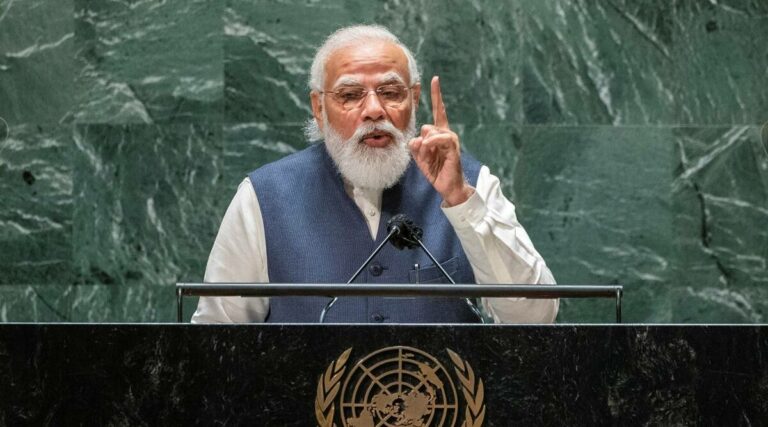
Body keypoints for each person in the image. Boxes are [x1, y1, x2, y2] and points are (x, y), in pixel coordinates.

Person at [192, 25, 558, 324]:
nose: (373, 110)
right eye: (350, 95)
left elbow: (535, 317)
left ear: (414, 99)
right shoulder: (263, 197)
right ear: (319, 108)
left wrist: (461, 201)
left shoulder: (470, 183)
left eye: (390, 92)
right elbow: (215, 340)